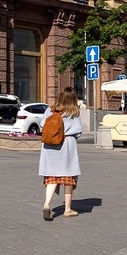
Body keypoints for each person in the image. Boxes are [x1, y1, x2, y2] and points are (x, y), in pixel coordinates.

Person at [39, 87, 83, 220]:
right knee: (68, 177)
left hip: (50, 146)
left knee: (52, 177)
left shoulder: (50, 110)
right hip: (66, 144)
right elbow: (78, 132)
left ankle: (47, 204)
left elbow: (42, 126)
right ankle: (68, 209)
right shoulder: (74, 112)